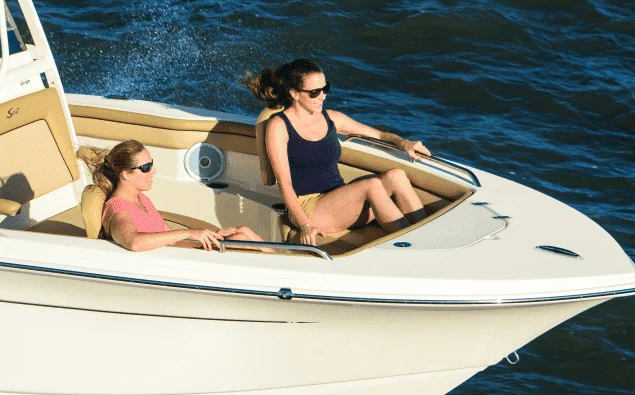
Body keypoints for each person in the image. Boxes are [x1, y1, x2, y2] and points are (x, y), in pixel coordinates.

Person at [246, 59, 430, 246]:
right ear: (294, 93)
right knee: (372, 185)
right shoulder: (279, 126)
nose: (322, 96)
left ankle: (427, 238)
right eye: (314, 92)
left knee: (396, 176)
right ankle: (413, 246)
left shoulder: (331, 118)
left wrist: (403, 142)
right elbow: (285, 184)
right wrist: (304, 225)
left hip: (339, 202)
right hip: (309, 208)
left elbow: (379, 134)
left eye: (325, 89)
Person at [89, 139, 263, 252]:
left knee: (243, 231)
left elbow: (170, 238)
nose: (153, 171)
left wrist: (209, 237)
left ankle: (278, 267)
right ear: (126, 174)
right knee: (240, 239)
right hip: (171, 267)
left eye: (151, 164)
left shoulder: (141, 198)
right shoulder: (118, 210)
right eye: (146, 168)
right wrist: (189, 233)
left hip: (178, 256)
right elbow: (134, 242)